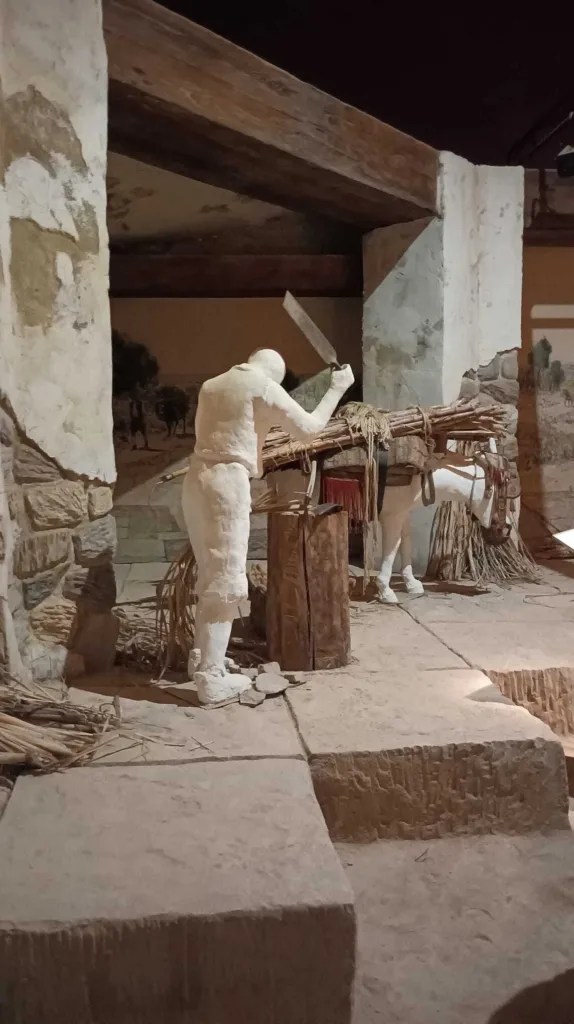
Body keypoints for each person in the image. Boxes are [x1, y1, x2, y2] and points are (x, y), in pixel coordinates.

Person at [182, 348, 354, 706]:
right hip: (227, 483)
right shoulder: (262, 386)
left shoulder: (212, 385)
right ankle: (211, 678)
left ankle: (201, 657)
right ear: (275, 374)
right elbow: (309, 430)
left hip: (196, 478)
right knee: (226, 578)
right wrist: (337, 387)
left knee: (210, 571)